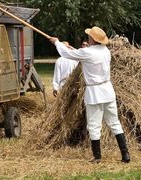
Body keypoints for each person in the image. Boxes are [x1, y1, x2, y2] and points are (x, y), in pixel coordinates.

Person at [49, 26, 130, 163]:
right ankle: (125, 154)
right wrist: (74, 50)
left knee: (94, 125)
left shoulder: (87, 53)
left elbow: (67, 54)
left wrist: (56, 42)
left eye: (89, 36)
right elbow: (82, 54)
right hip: (108, 91)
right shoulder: (105, 51)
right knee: (114, 122)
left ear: (92, 39)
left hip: (94, 93)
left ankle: (97, 157)